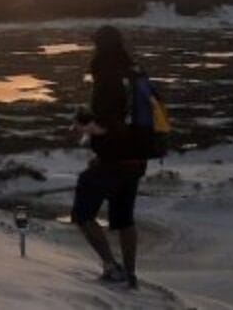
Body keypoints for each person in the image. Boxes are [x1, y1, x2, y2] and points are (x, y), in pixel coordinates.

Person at [70, 25, 147, 290]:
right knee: (125, 219)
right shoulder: (135, 74)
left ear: (100, 48)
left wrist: (83, 125)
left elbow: (104, 125)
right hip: (136, 160)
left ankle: (111, 267)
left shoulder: (106, 79)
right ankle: (131, 273)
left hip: (112, 162)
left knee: (82, 213)